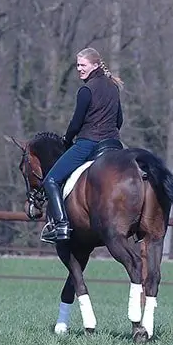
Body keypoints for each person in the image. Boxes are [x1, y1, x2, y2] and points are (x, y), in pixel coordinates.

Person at [41, 47, 124, 244]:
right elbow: (119, 120)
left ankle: (60, 225)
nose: (79, 69)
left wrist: (67, 140)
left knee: (51, 180)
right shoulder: (113, 87)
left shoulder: (86, 90)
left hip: (89, 142)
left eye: (83, 65)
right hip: (114, 144)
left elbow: (76, 123)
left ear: (95, 65)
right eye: (77, 65)